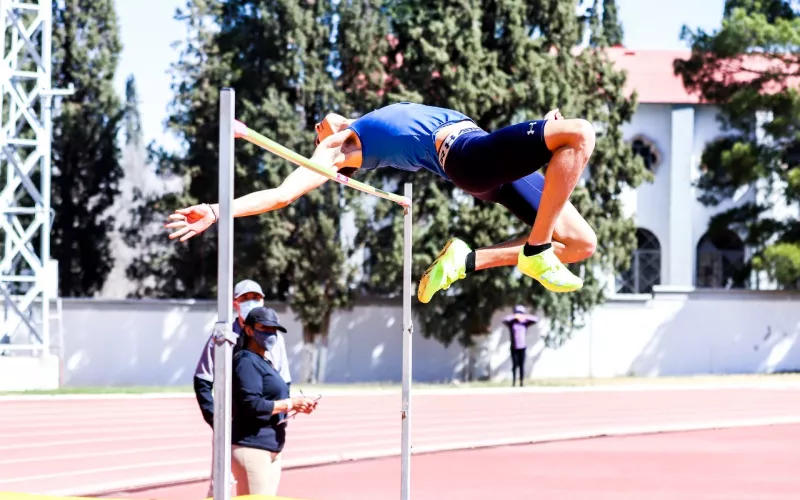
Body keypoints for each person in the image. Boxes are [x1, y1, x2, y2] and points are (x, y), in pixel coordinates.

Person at [164, 103, 598, 300]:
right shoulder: (339, 148)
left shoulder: (365, 119)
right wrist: (219, 211)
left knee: (581, 244)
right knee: (580, 134)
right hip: (469, 159)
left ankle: (467, 260)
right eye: (317, 131)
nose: (320, 124)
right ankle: (536, 250)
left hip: (489, 159)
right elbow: (282, 195)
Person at [193, 278, 292, 497]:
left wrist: (281, 416)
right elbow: (202, 379)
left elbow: (283, 379)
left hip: (264, 431)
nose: (251, 301)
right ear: (235, 303)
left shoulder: (274, 337)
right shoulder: (223, 336)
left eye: (256, 297)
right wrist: (216, 420)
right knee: (220, 486)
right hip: (233, 426)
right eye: (245, 298)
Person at [230, 306, 318, 496]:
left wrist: (298, 404)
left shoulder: (263, 361)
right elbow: (252, 405)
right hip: (252, 446)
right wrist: (291, 403)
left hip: (271, 447)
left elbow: (272, 400)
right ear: (249, 330)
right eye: (265, 328)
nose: (271, 334)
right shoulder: (246, 361)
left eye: (274, 329)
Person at [501, 305, 539, 387]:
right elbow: (504, 320)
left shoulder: (525, 323)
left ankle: (521, 382)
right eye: (517, 313)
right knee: (515, 365)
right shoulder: (512, 323)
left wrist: (524, 317)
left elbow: (535, 319)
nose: (519, 315)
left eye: (520, 313)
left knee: (522, 365)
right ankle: (514, 382)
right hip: (514, 346)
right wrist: (514, 317)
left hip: (522, 347)